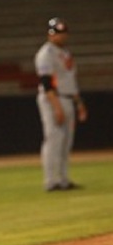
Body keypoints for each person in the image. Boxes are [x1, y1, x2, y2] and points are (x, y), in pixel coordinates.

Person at [34, 17, 88, 192]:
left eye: (62, 32)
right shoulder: (46, 54)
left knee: (66, 141)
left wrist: (79, 103)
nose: (60, 36)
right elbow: (46, 82)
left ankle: (63, 179)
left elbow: (70, 81)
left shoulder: (65, 53)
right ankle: (50, 181)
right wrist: (56, 107)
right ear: (49, 35)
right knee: (53, 139)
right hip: (53, 99)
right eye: (56, 32)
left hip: (67, 98)